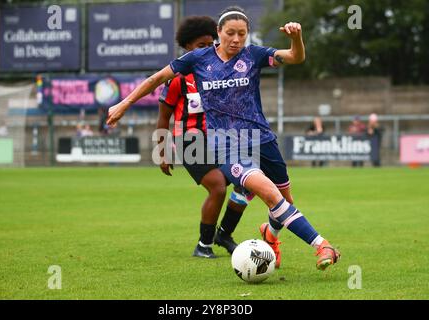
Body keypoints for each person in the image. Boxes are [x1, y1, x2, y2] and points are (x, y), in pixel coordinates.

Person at [107, 7, 340, 271]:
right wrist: (123, 105)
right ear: (219, 33)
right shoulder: (197, 59)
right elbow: (156, 78)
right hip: (227, 145)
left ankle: (270, 237)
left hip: (262, 139)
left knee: (285, 202)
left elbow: (295, 57)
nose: (236, 39)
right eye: (230, 33)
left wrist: (296, 37)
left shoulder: (254, 55)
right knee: (268, 194)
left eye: (242, 34)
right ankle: (322, 244)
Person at [157, 15, 249, 258]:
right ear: (187, 47)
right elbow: (163, 118)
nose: (208, 50)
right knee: (218, 188)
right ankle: (204, 245)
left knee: (247, 181)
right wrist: (163, 152)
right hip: (190, 141)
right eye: (201, 46)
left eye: (211, 45)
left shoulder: (220, 73)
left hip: (220, 138)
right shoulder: (178, 79)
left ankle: (224, 234)